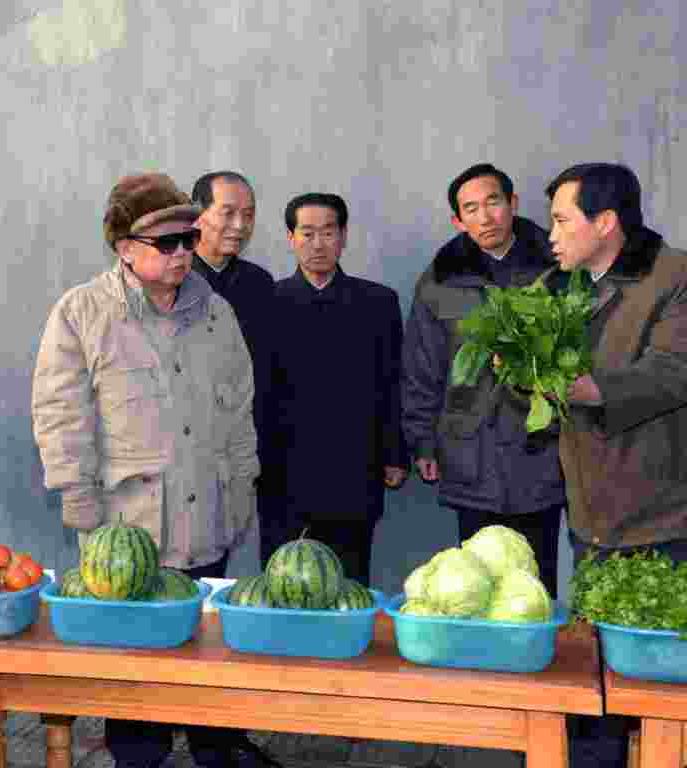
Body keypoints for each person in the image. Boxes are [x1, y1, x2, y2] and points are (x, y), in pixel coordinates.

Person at [31, 173, 266, 768]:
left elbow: (240, 411)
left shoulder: (218, 315)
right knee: (134, 683)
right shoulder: (82, 313)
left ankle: (218, 752)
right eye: (168, 243)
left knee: (210, 662)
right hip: (126, 529)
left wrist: (242, 486)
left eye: (189, 238)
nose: (184, 251)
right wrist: (75, 496)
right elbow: (60, 414)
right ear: (125, 248)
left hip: (206, 516)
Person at [544, 163, 687, 768]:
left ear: (605, 223)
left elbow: (677, 372)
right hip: (595, 516)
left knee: (672, 691)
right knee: (595, 684)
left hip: (673, 518)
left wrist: (588, 389)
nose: (549, 234)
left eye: (560, 220)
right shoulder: (559, 286)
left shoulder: (681, 275)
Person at [401, 163, 566, 598]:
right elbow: (422, 367)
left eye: (493, 202)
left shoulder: (558, 267)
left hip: (541, 451)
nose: (485, 216)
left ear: (513, 204)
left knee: (535, 579)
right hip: (469, 451)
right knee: (476, 581)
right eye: (470, 209)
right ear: (458, 220)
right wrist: (422, 440)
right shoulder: (439, 280)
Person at [263, 193, 408, 585]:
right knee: (283, 582)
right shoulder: (267, 302)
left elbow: (394, 382)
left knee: (349, 581)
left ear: (343, 236)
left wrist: (395, 453)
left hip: (354, 469)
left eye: (328, 232)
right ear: (290, 238)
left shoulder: (377, 303)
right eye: (307, 233)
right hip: (283, 472)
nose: (318, 244)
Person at [190, 171, 276, 541]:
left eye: (249, 215)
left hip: (238, 450)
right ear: (197, 214)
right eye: (227, 213)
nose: (239, 225)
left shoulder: (259, 283)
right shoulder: (170, 279)